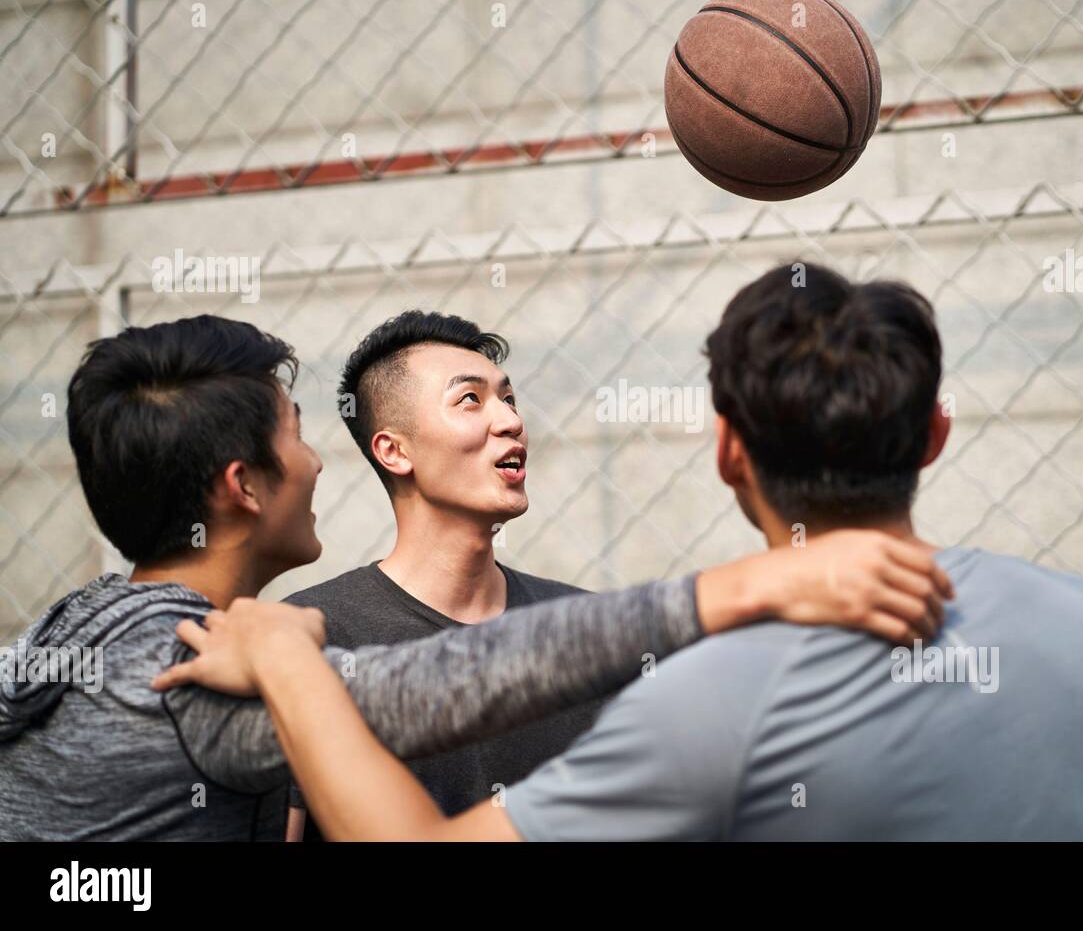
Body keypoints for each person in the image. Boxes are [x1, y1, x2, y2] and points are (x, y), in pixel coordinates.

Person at [163, 265, 1083, 841]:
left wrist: (290, 663)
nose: (507, 421)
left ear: (727, 453)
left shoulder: (718, 693)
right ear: (936, 434)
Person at [0, 314, 950, 840]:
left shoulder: (81, 634)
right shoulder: (191, 669)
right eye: (295, 439)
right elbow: (443, 684)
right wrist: (744, 589)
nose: (319, 464)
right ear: (241, 486)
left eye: (510, 397)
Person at [282, 312, 599, 838]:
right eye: (470, 400)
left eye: (509, 399)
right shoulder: (310, 635)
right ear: (394, 450)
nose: (510, 421)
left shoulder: (586, 630)